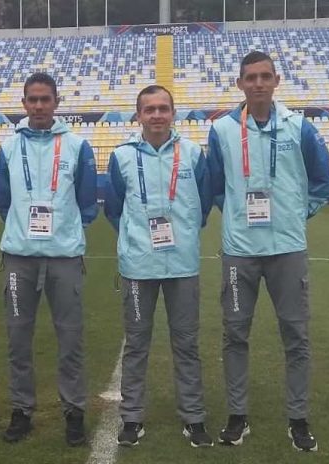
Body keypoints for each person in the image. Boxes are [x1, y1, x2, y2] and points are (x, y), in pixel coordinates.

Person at [207, 51, 329, 452]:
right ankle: (237, 416)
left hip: (287, 248)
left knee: (296, 336)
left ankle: (298, 419)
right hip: (239, 251)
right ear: (240, 83)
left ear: (276, 80)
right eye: (251, 77)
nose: (258, 83)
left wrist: (296, 215)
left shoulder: (299, 127)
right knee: (234, 334)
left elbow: (322, 181)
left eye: (265, 76)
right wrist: (236, 218)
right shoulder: (222, 129)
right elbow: (212, 184)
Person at [104, 85, 214, 448]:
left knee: (186, 344)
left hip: (182, 265)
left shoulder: (194, 154)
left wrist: (179, 234)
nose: (156, 115)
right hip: (138, 266)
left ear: (173, 113)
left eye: (162, 108)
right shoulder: (121, 156)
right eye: (148, 109)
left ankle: (194, 418)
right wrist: (137, 240)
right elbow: (114, 209)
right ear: (138, 115)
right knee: (136, 346)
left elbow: (204, 203)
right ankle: (132, 418)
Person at [0, 72, 98, 447]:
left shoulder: (77, 145)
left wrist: (63, 232)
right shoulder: (7, 147)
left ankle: (74, 411)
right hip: (20, 258)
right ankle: (22, 410)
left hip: (64, 258)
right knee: (18, 339)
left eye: (45, 99)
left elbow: (88, 204)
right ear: (24, 104)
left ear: (56, 102)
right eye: (32, 100)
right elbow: (3, 200)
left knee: (70, 339)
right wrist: (24, 231)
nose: (38, 106)